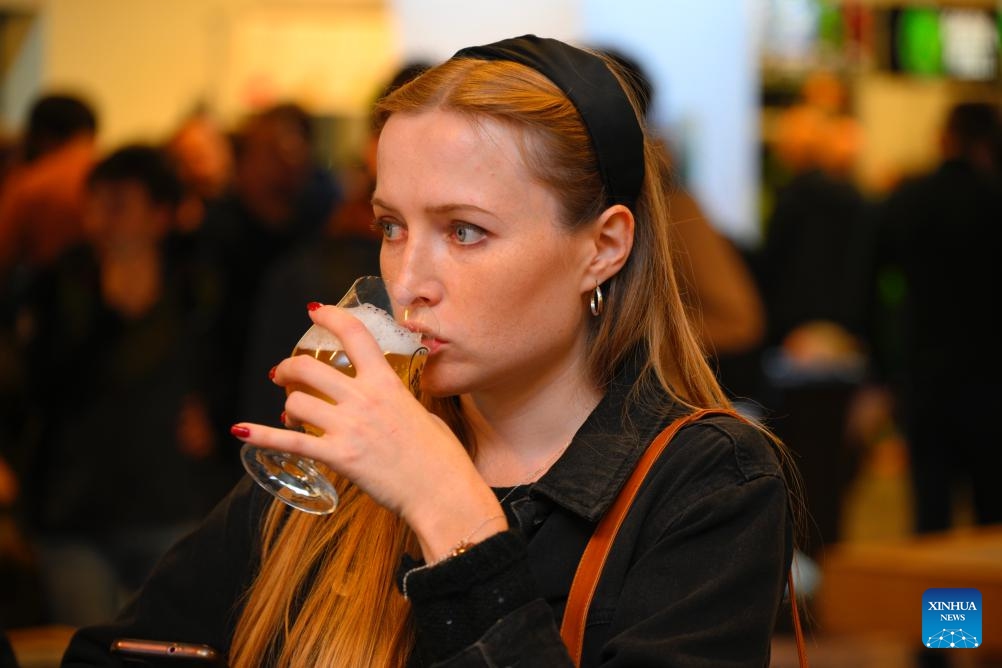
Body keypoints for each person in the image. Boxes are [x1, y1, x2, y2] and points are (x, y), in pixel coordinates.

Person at [63, 35, 798, 666]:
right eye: (391, 227)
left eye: (464, 232)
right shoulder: (349, 447)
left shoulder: (710, 483)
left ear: (602, 247)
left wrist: (448, 508)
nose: (407, 282)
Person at [20, 145, 234, 626]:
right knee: (87, 643)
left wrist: (212, 421)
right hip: (74, 510)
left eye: (116, 204)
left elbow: (225, 374)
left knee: (162, 644)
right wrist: (106, 316)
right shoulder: (61, 282)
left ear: (160, 215)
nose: (99, 220)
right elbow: (37, 387)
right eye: (92, 204)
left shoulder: (195, 283)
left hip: (168, 502)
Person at [871, 101, 1002, 535]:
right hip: (989, 382)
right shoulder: (993, 200)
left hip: (924, 378)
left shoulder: (910, 199)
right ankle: (991, 605)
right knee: (992, 522)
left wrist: (883, 371)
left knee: (931, 520)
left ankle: (944, 607)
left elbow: (875, 286)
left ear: (946, 137)